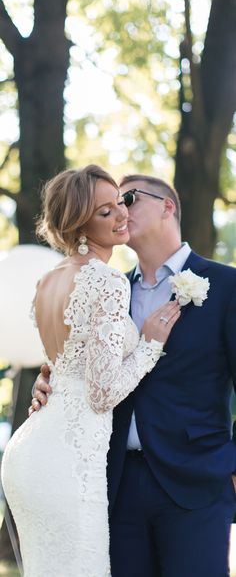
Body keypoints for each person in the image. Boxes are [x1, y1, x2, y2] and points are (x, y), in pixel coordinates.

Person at [32, 173, 236, 577]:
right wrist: (48, 385)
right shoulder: (107, 288)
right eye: (113, 204)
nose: (121, 210)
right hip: (115, 485)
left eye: (129, 198)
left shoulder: (228, 285)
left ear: (167, 205)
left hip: (197, 483)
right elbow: (78, 368)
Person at [1, 166, 180, 577]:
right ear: (80, 223)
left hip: (30, 451)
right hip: (71, 459)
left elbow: (63, 365)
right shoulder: (107, 281)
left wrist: (49, 379)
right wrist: (151, 344)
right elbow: (101, 394)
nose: (121, 216)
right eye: (105, 212)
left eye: (121, 202)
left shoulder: (48, 280)